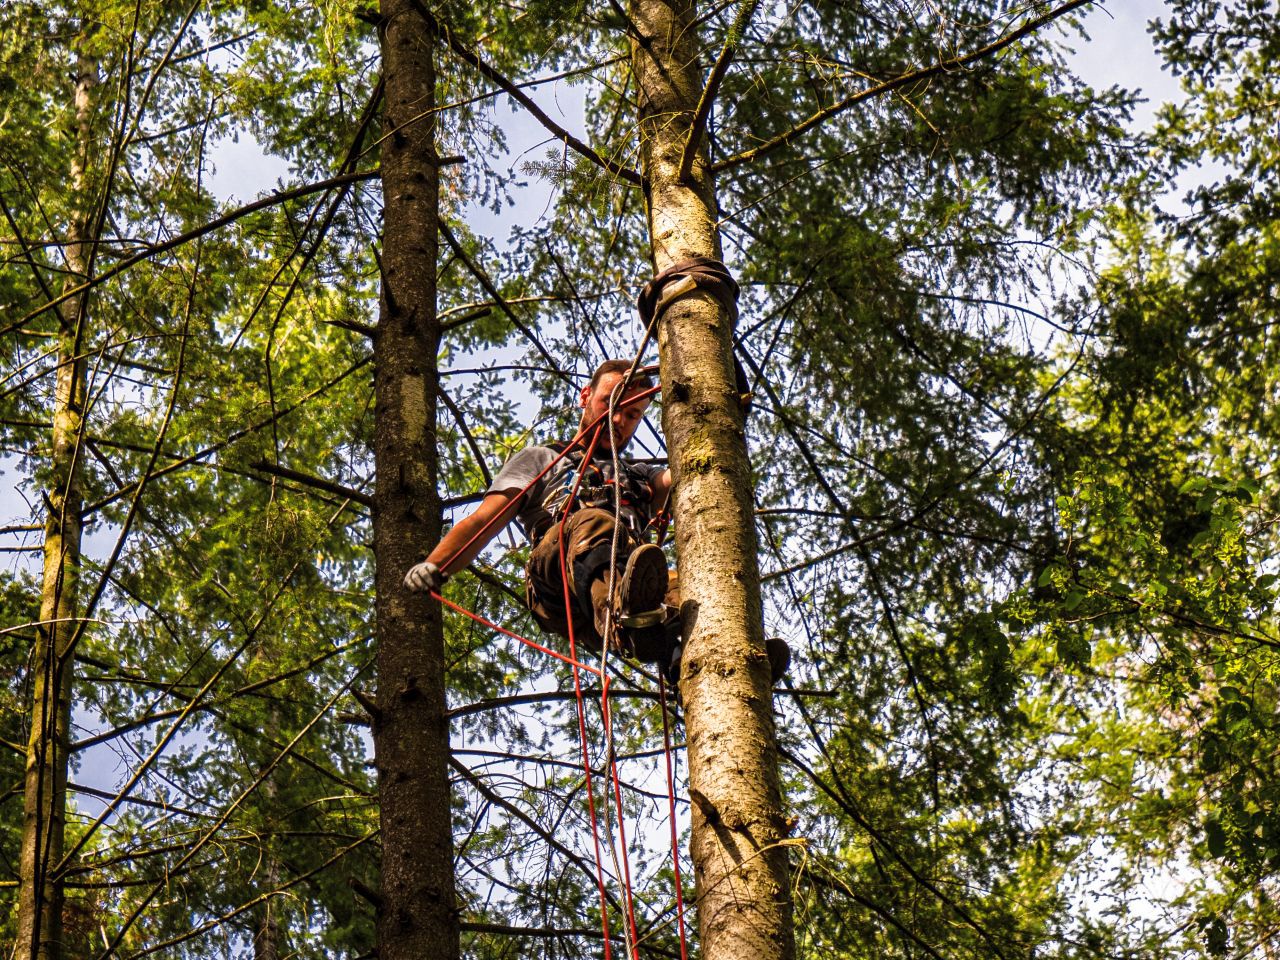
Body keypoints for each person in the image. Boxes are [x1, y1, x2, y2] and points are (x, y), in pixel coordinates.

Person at [404, 359, 789, 685]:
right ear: (586, 397)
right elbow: (485, 519)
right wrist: (436, 565)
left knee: (692, 589)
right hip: (559, 580)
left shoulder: (639, 477)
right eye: (611, 403)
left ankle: (724, 657)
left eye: (633, 414)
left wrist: (725, 397)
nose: (619, 419)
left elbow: (695, 462)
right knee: (591, 520)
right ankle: (627, 616)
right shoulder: (544, 459)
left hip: (624, 593)